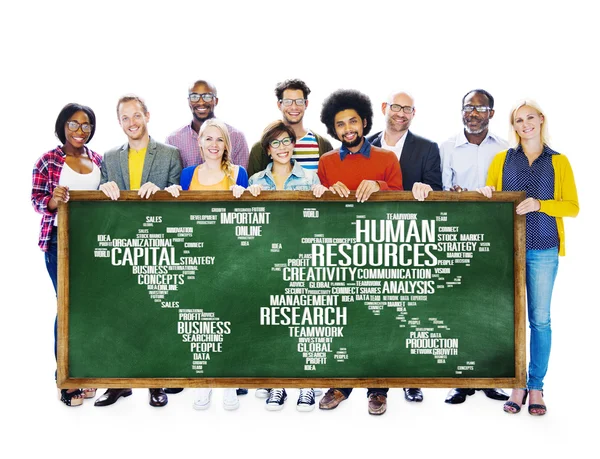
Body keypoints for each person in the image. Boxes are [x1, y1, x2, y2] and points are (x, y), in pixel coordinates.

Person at [477, 100, 579, 416]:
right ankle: (516, 384)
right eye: (518, 120)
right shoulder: (502, 159)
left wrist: (541, 204)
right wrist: (485, 193)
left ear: (541, 120)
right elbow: (489, 196)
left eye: (529, 118)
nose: (525, 125)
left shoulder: (559, 162)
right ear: (514, 126)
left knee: (540, 319)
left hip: (544, 249)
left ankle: (536, 387)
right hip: (508, 250)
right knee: (510, 320)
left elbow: (572, 206)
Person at [317, 89, 402, 415]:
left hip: (379, 249)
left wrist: (380, 186)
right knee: (341, 318)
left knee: (378, 318)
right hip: (339, 252)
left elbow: (401, 199)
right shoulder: (326, 163)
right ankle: (341, 383)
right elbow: (320, 209)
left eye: (353, 121)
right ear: (333, 128)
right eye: (340, 124)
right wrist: (326, 193)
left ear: (365, 121)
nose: (348, 128)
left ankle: (378, 388)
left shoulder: (386, 158)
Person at [96, 94, 182, 408]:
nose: (132, 123)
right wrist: (103, 189)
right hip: (122, 246)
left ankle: (155, 383)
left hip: (158, 245)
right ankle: (119, 383)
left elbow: (178, 198)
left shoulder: (171, 154)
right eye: (125, 118)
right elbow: (100, 199)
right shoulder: (109, 157)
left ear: (147, 115)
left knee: (157, 314)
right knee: (120, 315)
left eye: (136, 115)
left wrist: (160, 192)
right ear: (119, 123)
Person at [246, 120, 327, 411]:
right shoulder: (255, 181)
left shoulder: (311, 179)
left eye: (286, 142)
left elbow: (321, 222)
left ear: (294, 146)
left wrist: (322, 198)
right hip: (268, 259)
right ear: (267, 150)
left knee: (305, 320)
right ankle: (278, 384)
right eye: (275, 143)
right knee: (275, 322)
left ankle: (306, 385)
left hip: (302, 255)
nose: (282, 148)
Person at [367, 91, 443, 403]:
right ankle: (377, 386)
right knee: (375, 311)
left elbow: (436, 191)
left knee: (411, 309)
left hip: (410, 238)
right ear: (384, 108)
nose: (401, 113)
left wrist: (426, 189)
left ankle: (411, 377)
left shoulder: (427, 148)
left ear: (414, 114)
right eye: (396, 107)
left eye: (407, 109)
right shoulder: (363, 146)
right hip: (370, 239)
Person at [169, 118, 247, 411]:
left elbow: (251, 216)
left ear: (227, 145)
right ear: (199, 143)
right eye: (208, 139)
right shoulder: (188, 174)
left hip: (229, 255)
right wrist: (173, 194)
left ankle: (228, 381)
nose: (214, 145)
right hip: (198, 255)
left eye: (220, 140)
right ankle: (204, 383)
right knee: (202, 320)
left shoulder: (239, 174)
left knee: (229, 318)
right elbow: (180, 216)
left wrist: (245, 195)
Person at [437, 89, 510, 404]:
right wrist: (452, 193)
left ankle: (490, 377)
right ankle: (461, 379)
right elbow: (438, 188)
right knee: (459, 307)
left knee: (491, 307)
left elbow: (510, 191)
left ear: (491, 113)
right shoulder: (447, 147)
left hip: (495, 235)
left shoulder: (506, 150)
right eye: (468, 107)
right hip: (457, 234)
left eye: (480, 107)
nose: (473, 112)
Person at [31, 103, 102, 406]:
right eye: (73, 124)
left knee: (91, 308)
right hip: (59, 242)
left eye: (86, 125)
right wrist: (52, 200)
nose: (79, 131)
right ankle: (65, 377)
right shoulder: (48, 160)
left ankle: (85, 372)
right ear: (62, 126)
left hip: (93, 242)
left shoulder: (98, 159)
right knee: (67, 305)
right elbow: (36, 200)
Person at [246, 79, 333, 176]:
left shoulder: (323, 145)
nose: (294, 107)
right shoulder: (260, 148)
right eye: (288, 102)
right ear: (279, 105)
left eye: (299, 101)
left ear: (306, 104)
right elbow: (252, 186)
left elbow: (329, 185)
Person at [166, 79, 249, 169]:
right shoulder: (173, 140)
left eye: (207, 96)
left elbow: (241, 178)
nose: (201, 102)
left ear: (216, 101)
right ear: (189, 101)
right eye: (194, 97)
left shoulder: (236, 137)